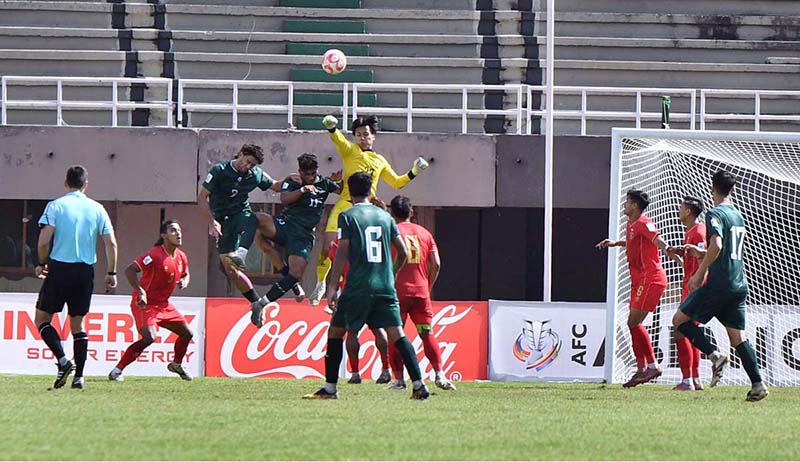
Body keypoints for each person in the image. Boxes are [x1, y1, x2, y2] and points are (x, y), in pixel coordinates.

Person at [303, 172, 430, 400]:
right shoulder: (385, 217)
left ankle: (330, 388)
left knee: (336, 332)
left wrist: (332, 287)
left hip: (358, 285)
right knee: (397, 334)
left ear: (349, 193)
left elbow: (342, 251)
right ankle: (419, 385)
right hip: (385, 286)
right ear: (371, 191)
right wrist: (391, 273)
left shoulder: (348, 215)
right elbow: (401, 251)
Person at [309, 114, 430, 306]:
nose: (361, 138)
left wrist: (414, 171)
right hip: (345, 204)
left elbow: (397, 182)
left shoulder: (380, 160)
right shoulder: (350, 151)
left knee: (354, 252)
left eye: (365, 134)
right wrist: (331, 127)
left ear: (373, 136)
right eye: (357, 134)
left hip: (365, 209)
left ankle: (344, 291)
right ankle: (321, 283)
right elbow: (338, 139)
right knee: (327, 248)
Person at [672, 171, 768, 402]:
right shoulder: (737, 214)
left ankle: (715, 356)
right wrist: (701, 253)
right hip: (738, 284)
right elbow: (723, 250)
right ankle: (758, 385)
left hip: (719, 284)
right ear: (732, 190)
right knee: (738, 338)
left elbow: (716, 244)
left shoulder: (715, 213)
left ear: (712, 187)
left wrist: (699, 273)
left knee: (679, 321)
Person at [34, 165, 118, 390]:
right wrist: (111, 272)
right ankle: (79, 377)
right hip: (85, 271)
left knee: (42, 319)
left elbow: (43, 240)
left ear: (65, 183)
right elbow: (111, 242)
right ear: (86, 184)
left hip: (59, 268)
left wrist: (41, 263)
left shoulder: (56, 206)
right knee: (78, 324)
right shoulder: (98, 208)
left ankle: (62, 361)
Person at [249, 153, 342, 325]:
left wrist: (339, 180)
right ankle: (241, 251)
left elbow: (342, 190)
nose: (312, 177)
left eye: (314, 173)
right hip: (285, 224)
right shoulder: (293, 181)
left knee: (296, 273)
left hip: (303, 235)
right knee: (256, 219)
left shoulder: (324, 183)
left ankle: (261, 304)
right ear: (301, 172)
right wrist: (302, 189)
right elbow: (284, 199)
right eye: (308, 174)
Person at [596, 189, 673, 388]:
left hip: (651, 278)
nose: (625, 204)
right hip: (639, 280)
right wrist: (615, 243)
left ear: (635, 206)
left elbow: (657, 240)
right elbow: (633, 241)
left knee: (633, 321)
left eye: (628, 201)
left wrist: (675, 256)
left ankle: (652, 365)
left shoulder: (643, 222)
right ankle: (641, 369)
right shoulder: (632, 224)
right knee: (632, 324)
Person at [198, 144, 292, 306]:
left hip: (241, 213)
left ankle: (291, 280)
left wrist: (289, 179)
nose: (248, 167)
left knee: (260, 233)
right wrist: (212, 222)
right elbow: (202, 198)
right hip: (222, 220)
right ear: (240, 154)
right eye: (247, 162)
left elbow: (275, 186)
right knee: (231, 270)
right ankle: (255, 302)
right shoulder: (219, 171)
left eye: (252, 165)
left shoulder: (254, 174)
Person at [108, 220, 194, 382]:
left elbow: (186, 274)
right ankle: (117, 371)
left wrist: (185, 281)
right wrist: (140, 291)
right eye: (173, 230)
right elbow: (129, 270)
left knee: (187, 333)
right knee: (149, 338)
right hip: (145, 304)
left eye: (179, 230)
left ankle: (176, 364)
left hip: (164, 305)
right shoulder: (154, 255)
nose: (179, 233)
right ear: (163, 235)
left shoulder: (181, 256)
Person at [386, 195, 456, 391]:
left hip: (397, 292)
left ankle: (399, 380)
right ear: (412, 212)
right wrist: (428, 284)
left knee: (395, 335)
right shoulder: (425, 233)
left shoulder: (391, 232)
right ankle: (440, 375)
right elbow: (437, 263)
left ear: (392, 213)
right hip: (420, 292)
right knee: (426, 333)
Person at [326, 196, 392, 385]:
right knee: (379, 329)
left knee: (350, 332)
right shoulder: (380, 233)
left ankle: (355, 373)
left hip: (352, 289)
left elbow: (334, 258)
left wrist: (333, 287)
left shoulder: (345, 240)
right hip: (377, 285)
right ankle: (386, 369)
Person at [666, 196, 707, 391]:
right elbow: (694, 255)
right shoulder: (691, 231)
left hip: (694, 287)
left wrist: (698, 282)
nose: (679, 209)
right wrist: (679, 252)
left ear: (689, 211)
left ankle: (687, 380)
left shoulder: (699, 232)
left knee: (680, 328)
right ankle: (696, 379)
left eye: (682, 207)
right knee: (690, 331)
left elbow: (704, 256)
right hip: (691, 285)